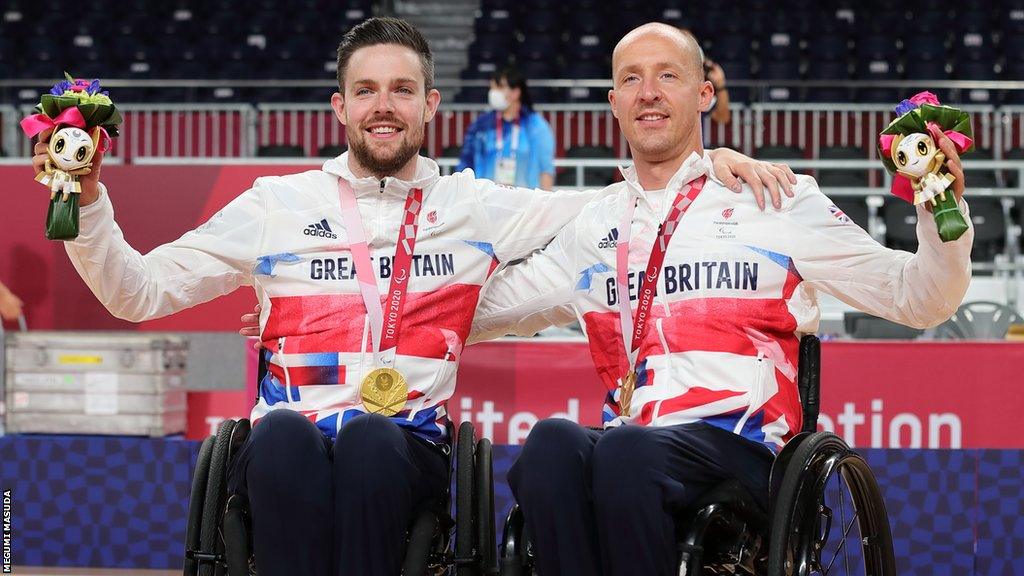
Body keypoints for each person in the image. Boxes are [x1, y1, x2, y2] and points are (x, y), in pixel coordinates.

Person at [38, 17, 794, 576]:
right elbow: (137, 293)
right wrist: (89, 200)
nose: (383, 106)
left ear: (431, 105)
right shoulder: (274, 202)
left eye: (401, 90)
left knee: (371, 436)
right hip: (287, 437)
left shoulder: (474, 204)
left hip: (407, 446)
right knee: (281, 436)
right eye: (365, 91)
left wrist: (702, 161)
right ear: (339, 108)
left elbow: (620, 210)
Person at [469, 23, 973, 576]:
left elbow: (920, 297)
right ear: (614, 103)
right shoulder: (594, 224)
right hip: (632, 442)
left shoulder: (774, 200)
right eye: (632, 79)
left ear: (704, 94)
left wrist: (939, 208)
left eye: (668, 75)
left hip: (739, 447)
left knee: (624, 454)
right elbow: (482, 310)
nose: (649, 91)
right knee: (549, 445)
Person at [457, 66, 556, 189]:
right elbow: (466, 164)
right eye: (492, 88)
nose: (493, 93)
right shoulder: (480, 126)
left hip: (526, 201)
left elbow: (545, 170)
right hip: (486, 201)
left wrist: (544, 205)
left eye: (499, 87)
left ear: (516, 92)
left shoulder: (536, 126)